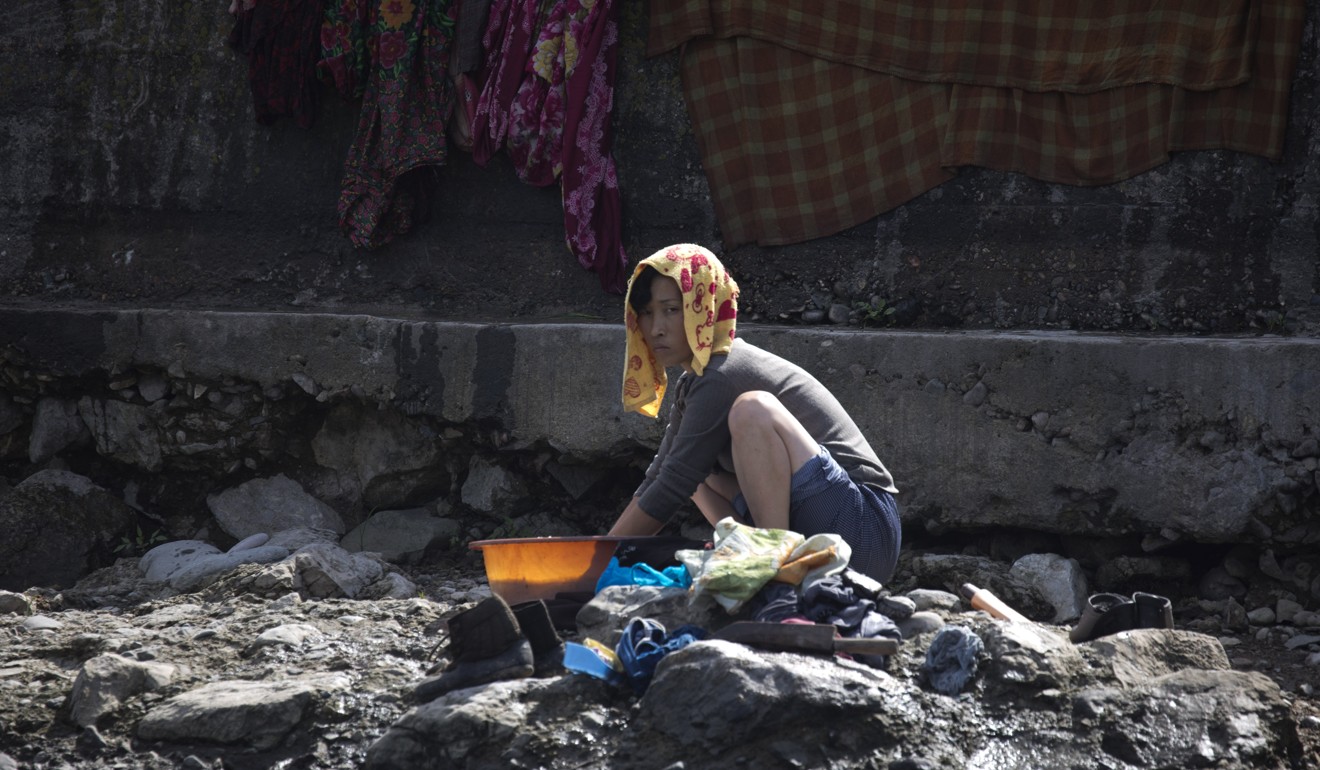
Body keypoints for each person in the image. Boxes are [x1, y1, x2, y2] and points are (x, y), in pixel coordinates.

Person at [607, 243, 902, 583]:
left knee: (752, 410)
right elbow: (661, 475)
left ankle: (770, 572)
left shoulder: (722, 372)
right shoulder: (695, 381)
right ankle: (759, 557)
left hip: (864, 531)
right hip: (814, 528)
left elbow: (671, 486)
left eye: (671, 310)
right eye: (646, 313)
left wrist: (596, 563)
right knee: (691, 470)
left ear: (705, 307)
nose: (656, 328)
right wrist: (591, 553)